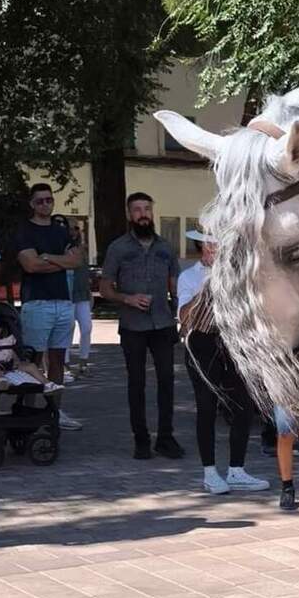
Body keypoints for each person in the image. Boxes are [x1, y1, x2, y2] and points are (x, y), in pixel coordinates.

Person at [177, 230, 269, 495]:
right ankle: (209, 472)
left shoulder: (234, 274)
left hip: (230, 342)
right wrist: (207, 288)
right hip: (201, 343)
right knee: (206, 406)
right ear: (204, 246)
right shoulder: (189, 276)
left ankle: (237, 470)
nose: (218, 248)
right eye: (213, 243)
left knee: (243, 405)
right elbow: (184, 317)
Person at [100, 193, 183, 460]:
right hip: (133, 325)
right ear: (129, 215)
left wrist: (180, 312)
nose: (143, 214)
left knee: (167, 382)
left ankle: (166, 438)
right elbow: (105, 288)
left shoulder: (166, 247)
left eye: (147, 208)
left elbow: (175, 286)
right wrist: (128, 298)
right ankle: (142, 439)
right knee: (136, 383)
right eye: (137, 210)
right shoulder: (118, 248)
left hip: (162, 323)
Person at [13, 183, 81, 431]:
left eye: (49, 200)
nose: (45, 204)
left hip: (63, 302)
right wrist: (62, 262)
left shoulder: (61, 230)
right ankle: (27, 411)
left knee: (57, 360)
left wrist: (47, 257)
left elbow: (77, 261)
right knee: (33, 358)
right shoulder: (24, 231)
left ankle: (55, 412)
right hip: (37, 302)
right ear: (32, 204)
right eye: (40, 201)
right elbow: (30, 266)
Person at [0, 313, 58, 391]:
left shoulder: (6, 341)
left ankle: (47, 383)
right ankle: (1, 381)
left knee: (31, 366)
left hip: (9, 364)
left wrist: (17, 360)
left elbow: (11, 351)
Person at [66, 220, 94, 375]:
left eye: (76, 228)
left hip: (82, 294)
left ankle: (84, 360)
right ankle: (65, 362)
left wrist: (89, 292)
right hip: (67, 295)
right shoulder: (62, 248)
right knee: (67, 328)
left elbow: (84, 273)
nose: (74, 232)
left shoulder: (82, 249)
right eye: (71, 229)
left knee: (87, 327)